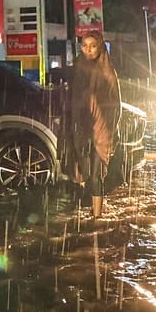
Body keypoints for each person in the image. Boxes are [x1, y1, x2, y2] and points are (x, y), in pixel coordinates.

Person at [68, 31, 121, 218]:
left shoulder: (107, 71)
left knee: (97, 172)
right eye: (84, 46)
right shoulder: (78, 68)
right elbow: (71, 96)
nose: (88, 50)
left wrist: (111, 128)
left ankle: (97, 216)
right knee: (84, 170)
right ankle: (87, 206)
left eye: (93, 46)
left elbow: (116, 103)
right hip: (81, 126)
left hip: (101, 128)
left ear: (100, 47)